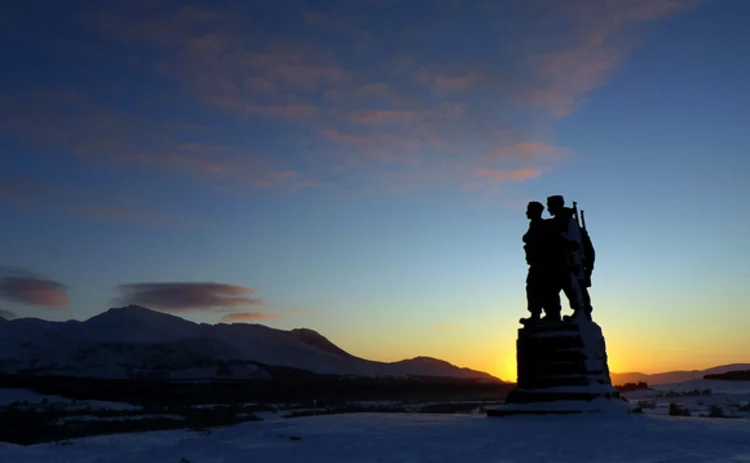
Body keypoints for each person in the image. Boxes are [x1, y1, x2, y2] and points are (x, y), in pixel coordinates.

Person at [545, 195, 588, 321]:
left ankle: (580, 313)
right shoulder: (556, 221)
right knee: (552, 289)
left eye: (550, 206)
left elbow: (573, 243)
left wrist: (559, 239)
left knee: (572, 287)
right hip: (557, 260)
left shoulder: (568, 220)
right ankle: (552, 315)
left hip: (568, 260)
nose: (548, 209)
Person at [520, 201, 561, 324]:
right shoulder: (536, 225)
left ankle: (550, 315)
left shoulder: (540, 225)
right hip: (537, 263)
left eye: (529, 209)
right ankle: (537, 314)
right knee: (534, 288)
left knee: (544, 289)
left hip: (543, 264)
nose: (527, 212)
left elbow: (535, 240)